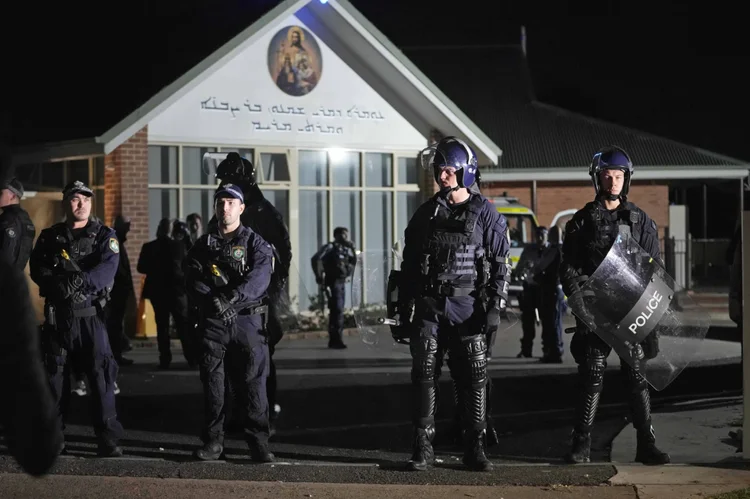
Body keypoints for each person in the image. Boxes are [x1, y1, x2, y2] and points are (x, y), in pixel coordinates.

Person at [394, 136, 511, 472]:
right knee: (424, 375)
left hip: (468, 307)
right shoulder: (425, 214)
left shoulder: (486, 214)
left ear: (465, 172)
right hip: (430, 307)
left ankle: (475, 447)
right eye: (439, 170)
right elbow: (409, 265)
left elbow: (501, 265)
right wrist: (403, 308)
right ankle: (423, 447)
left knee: (473, 377)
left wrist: (494, 307)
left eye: (448, 170)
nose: (442, 176)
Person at [560, 146, 670, 465]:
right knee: (592, 375)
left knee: (637, 375)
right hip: (596, 313)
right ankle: (581, 444)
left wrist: (652, 319)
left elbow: (656, 270)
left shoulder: (641, 221)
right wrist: (579, 302)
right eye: (607, 175)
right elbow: (568, 267)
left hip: (631, 312)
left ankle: (645, 443)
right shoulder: (581, 222)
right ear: (597, 178)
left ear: (627, 179)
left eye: (619, 175)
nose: (613, 181)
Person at [29, 180, 124, 457]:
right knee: (54, 380)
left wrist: (79, 281)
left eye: (85, 199)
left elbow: (107, 270)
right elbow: (38, 268)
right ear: (66, 203)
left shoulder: (105, 236)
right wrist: (58, 285)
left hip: (90, 317)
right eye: (74, 199)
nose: (80, 204)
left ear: (91, 203)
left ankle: (108, 437)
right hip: (59, 318)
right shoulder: (50, 237)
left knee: (102, 377)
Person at [186, 183, 275, 462]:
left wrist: (232, 297)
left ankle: (258, 443)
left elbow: (260, 279)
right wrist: (215, 300)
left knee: (253, 385)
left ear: (241, 208)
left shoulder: (255, 243)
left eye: (230, 203)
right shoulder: (203, 245)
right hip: (214, 324)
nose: (225, 208)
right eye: (220, 203)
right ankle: (213, 442)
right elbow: (191, 277)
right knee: (214, 385)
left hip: (247, 322)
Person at [208, 152, 293, 432]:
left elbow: (281, 255)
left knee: (260, 356)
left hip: (259, 299)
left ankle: (264, 412)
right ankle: (235, 413)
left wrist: (266, 287)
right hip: (228, 298)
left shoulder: (263, 213)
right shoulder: (224, 213)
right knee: (230, 359)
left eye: (228, 180)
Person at [138, 219, 192, 368]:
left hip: (158, 292)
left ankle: (165, 359)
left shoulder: (149, 247)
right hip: (177, 291)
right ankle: (191, 358)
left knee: (162, 327)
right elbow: (187, 268)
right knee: (182, 325)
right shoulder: (179, 247)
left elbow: (141, 268)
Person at [311, 227, 357, 349]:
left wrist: (353, 248)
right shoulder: (330, 248)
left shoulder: (345, 250)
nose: (345, 238)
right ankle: (335, 340)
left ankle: (337, 339)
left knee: (339, 311)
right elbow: (315, 259)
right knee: (336, 310)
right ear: (336, 235)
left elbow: (355, 261)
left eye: (346, 235)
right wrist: (319, 277)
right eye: (342, 235)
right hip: (333, 282)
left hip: (342, 283)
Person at [106, 214, 135, 367]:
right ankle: (115, 355)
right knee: (115, 324)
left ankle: (117, 353)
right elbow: (116, 268)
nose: (129, 228)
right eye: (127, 225)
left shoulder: (117, 241)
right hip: (116, 292)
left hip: (119, 291)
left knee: (117, 324)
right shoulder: (114, 242)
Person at [0, 177, 35, 269]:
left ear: (13, 196)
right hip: (14, 278)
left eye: (1, 193)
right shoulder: (25, 219)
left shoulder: (9, 219)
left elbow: (7, 253)